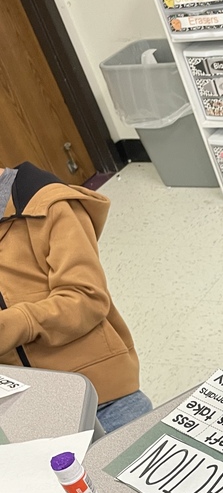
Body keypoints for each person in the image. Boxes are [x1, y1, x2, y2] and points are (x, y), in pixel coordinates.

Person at [0, 162, 152, 433]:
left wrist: (14, 324)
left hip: (100, 396)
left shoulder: (49, 204)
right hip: (23, 409)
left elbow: (86, 298)